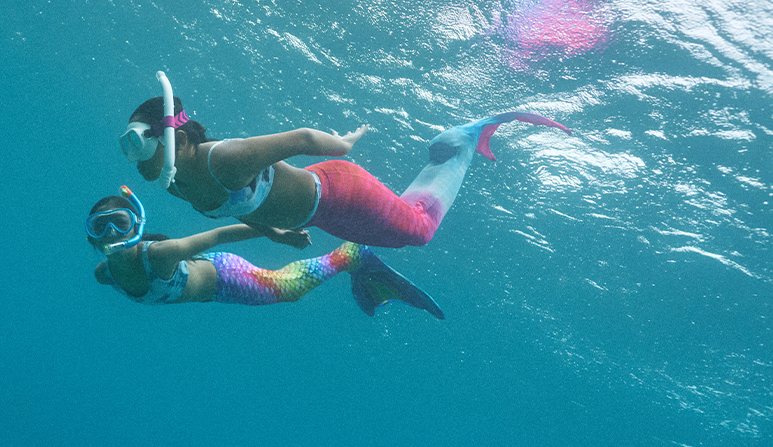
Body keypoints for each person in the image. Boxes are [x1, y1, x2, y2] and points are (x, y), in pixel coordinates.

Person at [120, 88, 571, 249]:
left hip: (340, 190)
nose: (134, 160)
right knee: (399, 238)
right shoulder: (177, 183)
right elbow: (236, 208)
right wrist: (277, 234)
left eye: (139, 146)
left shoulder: (223, 158)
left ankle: (463, 139)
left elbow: (302, 139)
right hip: (323, 215)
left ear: (175, 139)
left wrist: (347, 144)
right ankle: (450, 149)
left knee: (419, 231)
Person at [86, 186, 443, 318]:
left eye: (120, 222)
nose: (112, 233)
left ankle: (350, 254)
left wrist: (278, 234)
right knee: (283, 286)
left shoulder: (160, 255)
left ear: (137, 224)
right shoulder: (104, 274)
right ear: (92, 239)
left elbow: (219, 234)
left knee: (287, 290)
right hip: (211, 285)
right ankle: (351, 257)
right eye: (100, 227)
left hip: (226, 279)